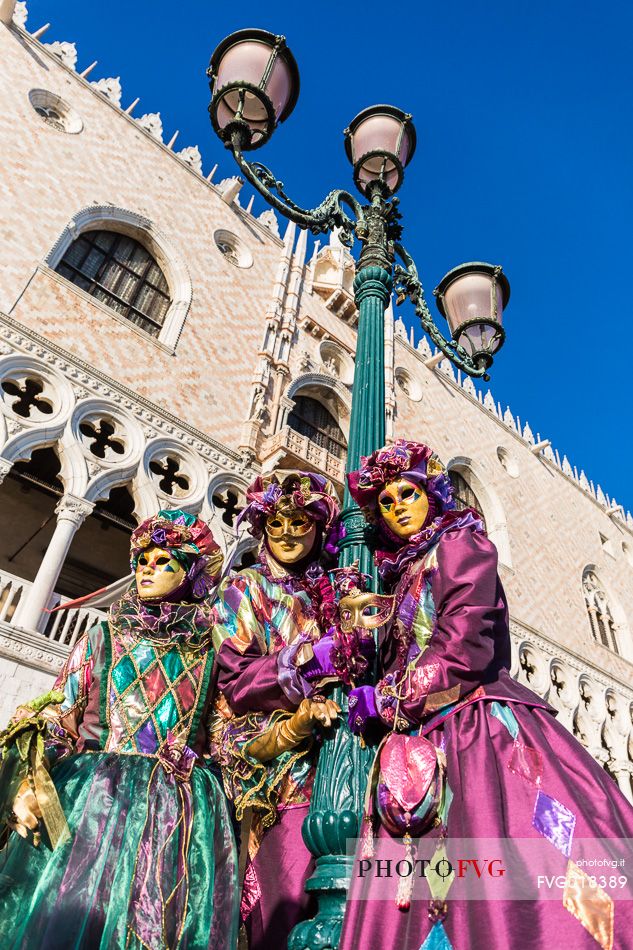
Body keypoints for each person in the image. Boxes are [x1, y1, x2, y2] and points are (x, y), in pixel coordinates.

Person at [339, 440, 633, 950]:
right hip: (419, 746)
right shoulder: (405, 573)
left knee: (540, 862)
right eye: (385, 503)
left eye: (407, 493)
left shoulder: (459, 546)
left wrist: (390, 699)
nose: (397, 507)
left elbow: (464, 645)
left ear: (431, 492)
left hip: (476, 729)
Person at [0, 509, 239, 950]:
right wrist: (32, 772)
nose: (146, 568)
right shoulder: (101, 639)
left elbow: (224, 734)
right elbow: (60, 713)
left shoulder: (212, 654)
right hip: (94, 801)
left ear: (191, 570)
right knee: (74, 912)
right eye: (141, 560)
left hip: (176, 815)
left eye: (162, 560)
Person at [210, 471, 351, 950]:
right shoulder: (243, 588)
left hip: (334, 764)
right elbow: (235, 680)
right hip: (269, 769)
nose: (289, 533)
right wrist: (308, 667)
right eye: (277, 523)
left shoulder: (330, 596)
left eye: (300, 522)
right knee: (278, 898)